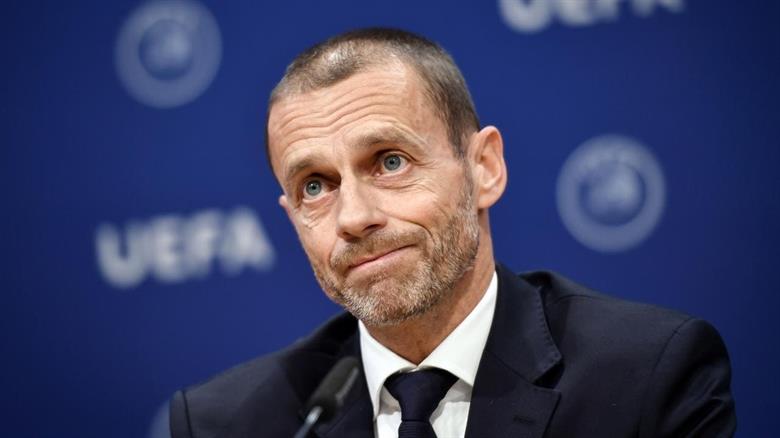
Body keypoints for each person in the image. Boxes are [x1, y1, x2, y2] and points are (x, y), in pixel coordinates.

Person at [169, 28, 736, 438]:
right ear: (292, 216)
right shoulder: (230, 423)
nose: (353, 217)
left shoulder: (643, 375)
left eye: (390, 162)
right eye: (314, 186)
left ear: (484, 168)